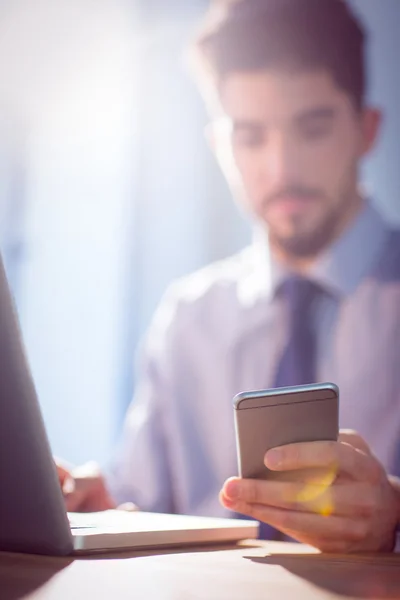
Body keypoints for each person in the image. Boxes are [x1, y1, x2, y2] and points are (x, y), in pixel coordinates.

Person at [58, 0, 400, 553]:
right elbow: (144, 499)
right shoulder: (187, 318)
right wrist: (103, 510)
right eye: (250, 137)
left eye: (312, 129)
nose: (281, 167)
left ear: (367, 130)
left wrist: (395, 524)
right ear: (220, 147)